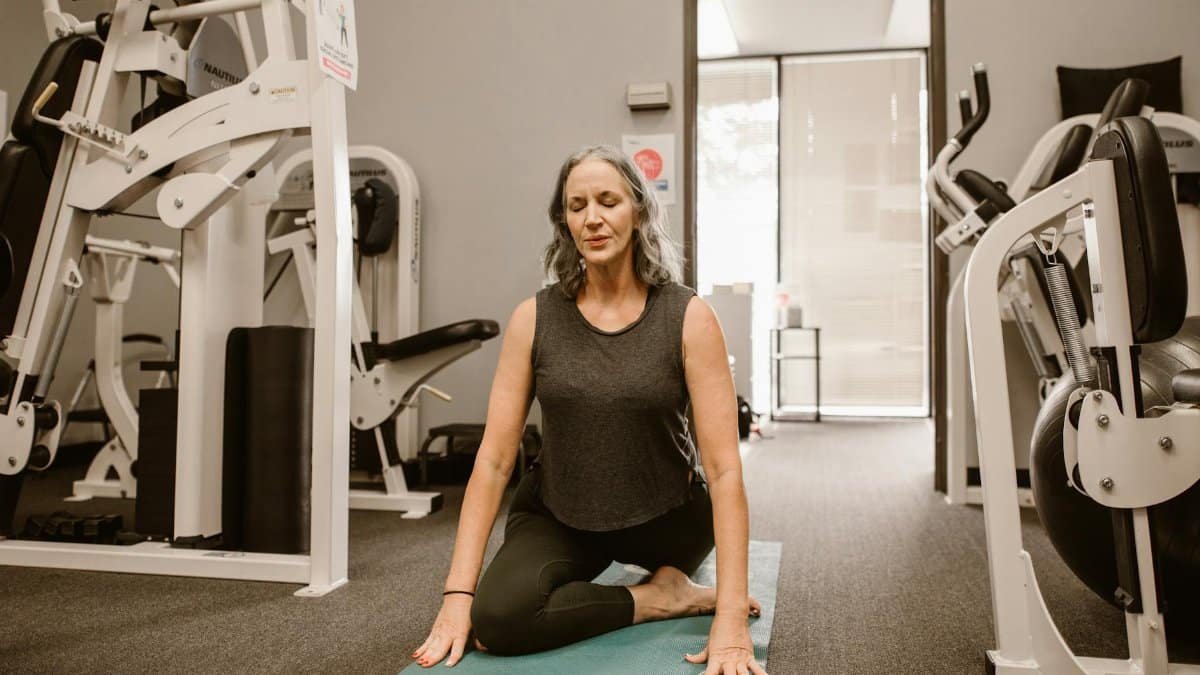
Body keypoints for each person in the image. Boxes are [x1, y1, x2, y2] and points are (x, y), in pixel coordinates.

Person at [412, 145, 764, 674]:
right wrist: (457, 596)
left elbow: (722, 468)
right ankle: (660, 598)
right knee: (499, 620)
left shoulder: (688, 316)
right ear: (564, 221)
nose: (593, 218)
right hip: (562, 513)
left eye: (608, 201)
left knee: (689, 519)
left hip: (666, 518)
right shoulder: (535, 318)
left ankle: (671, 577)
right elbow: (493, 461)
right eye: (577, 206)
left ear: (638, 211)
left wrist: (731, 615)